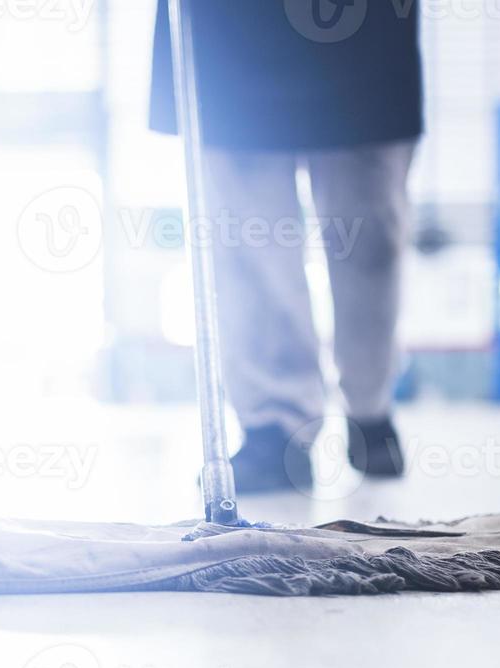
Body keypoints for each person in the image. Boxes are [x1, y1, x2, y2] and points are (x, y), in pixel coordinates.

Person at [150, 0, 423, 492]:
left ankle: (370, 405)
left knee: (371, 220)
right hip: (235, 26)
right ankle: (277, 426)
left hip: (366, 25)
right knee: (250, 228)